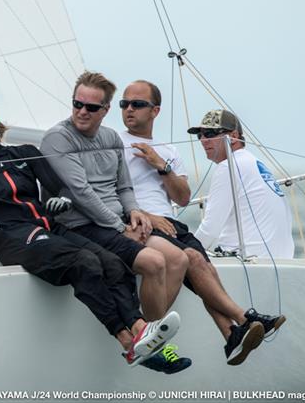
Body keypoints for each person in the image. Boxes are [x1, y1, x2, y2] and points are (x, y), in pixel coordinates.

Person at [0, 103, 189, 373]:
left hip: (45, 228)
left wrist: (62, 201)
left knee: (112, 262)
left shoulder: (25, 153)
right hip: (8, 237)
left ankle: (141, 332)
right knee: (84, 262)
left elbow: (59, 188)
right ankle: (128, 341)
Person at [120, 80, 286, 365]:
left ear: (155, 110)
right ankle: (243, 319)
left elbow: (183, 198)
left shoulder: (169, 150)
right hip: (140, 220)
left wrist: (162, 165)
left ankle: (232, 333)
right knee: (185, 258)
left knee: (196, 258)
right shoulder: (113, 141)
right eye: (124, 104)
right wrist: (143, 214)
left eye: (137, 104)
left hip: (171, 223)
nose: (129, 109)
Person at [39, 72, 188, 324]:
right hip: (83, 223)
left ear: (106, 110)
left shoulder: (111, 138)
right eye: (77, 104)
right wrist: (121, 228)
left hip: (115, 220)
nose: (82, 111)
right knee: (154, 262)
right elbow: (81, 192)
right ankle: (150, 335)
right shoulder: (58, 138)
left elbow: (124, 187)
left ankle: (150, 335)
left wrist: (134, 212)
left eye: (91, 107)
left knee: (179, 259)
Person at [187, 109, 295, 259]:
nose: (203, 140)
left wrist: (183, 254)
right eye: (200, 135)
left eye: (211, 134)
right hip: (282, 259)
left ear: (233, 136)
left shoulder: (228, 167)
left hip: (250, 261)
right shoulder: (253, 162)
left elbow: (210, 230)